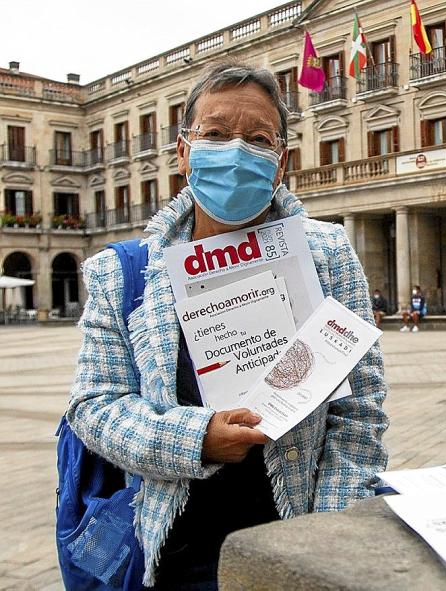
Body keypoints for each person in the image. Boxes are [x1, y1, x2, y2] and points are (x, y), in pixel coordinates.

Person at [66, 62, 388, 590]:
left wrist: (326, 538)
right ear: (183, 151)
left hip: (294, 545)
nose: (236, 152)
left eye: (257, 138)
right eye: (215, 135)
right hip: (175, 553)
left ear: (280, 162)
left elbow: (358, 415)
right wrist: (197, 440)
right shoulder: (121, 273)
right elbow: (95, 407)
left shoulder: (326, 254)